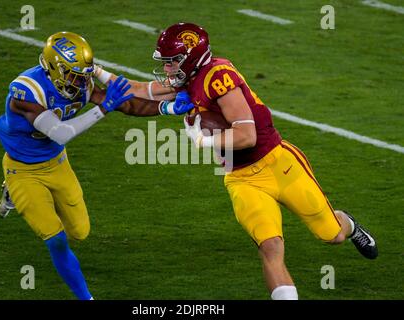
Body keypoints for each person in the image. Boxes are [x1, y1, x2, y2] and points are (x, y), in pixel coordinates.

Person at [152, 22, 378, 300]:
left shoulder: (217, 75)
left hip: (278, 164)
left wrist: (203, 140)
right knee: (270, 247)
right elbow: (142, 90)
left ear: (191, 56)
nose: (167, 69)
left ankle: (349, 224)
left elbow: (247, 136)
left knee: (332, 235)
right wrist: (99, 78)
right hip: (242, 179)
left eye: (172, 61)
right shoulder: (189, 79)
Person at [0, 31, 193, 299]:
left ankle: (26, 194)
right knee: (57, 240)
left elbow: (128, 104)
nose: (80, 80)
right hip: (24, 169)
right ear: (55, 68)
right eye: (74, 73)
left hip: (56, 163)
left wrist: (167, 109)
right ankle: (86, 297)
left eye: (84, 73)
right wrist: (103, 109)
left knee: (80, 231)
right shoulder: (27, 91)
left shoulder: (80, 83)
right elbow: (60, 133)